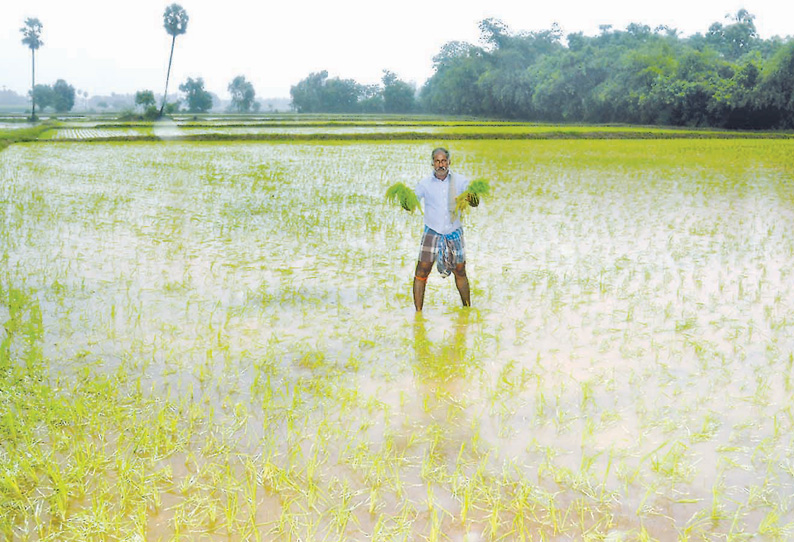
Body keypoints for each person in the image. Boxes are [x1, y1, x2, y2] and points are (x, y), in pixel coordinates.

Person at [411, 147, 478, 311]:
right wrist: (406, 202)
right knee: (422, 270)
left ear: (449, 162)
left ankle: (467, 309)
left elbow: (475, 202)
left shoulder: (461, 181)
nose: (441, 164)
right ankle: (418, 313)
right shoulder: (424, 184)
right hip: (432, 231)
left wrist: (473, 198)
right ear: (433, 163)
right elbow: (412, 201)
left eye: (444, 161)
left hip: (453, 230)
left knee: (460, 270)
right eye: (437, 161)